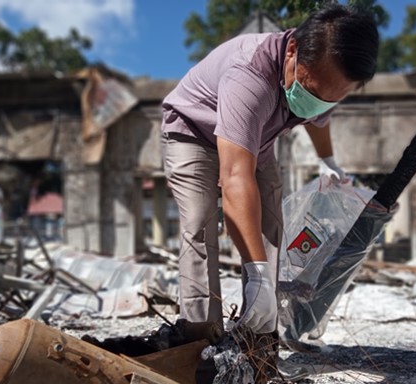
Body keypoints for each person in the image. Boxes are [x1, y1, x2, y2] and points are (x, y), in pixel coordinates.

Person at [161, 3, 379, 334]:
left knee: (271, 227)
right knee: (199, 223)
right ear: (292, 50)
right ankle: (199, 340)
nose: (318, 103)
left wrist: (328, 160)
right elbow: (234, 176)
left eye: (332, 99)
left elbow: (316, 118)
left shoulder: (319, 77)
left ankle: (260, 337)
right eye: (313, 92)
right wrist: (257, 271)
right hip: (193, 132)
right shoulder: (250, 77)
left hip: (256, 141)